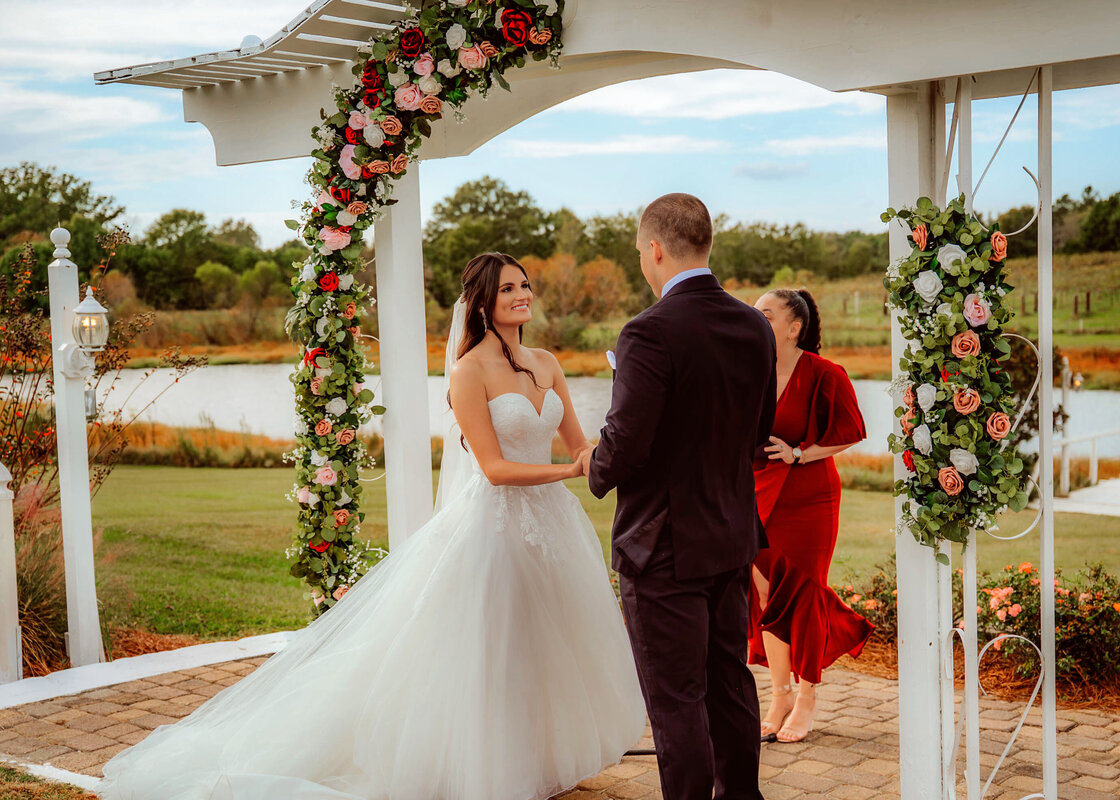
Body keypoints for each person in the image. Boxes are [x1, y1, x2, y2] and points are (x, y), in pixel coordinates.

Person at [97, 253, 645, 800]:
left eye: (524, 284)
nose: (522, 294)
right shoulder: (468, 371)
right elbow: (495, 470)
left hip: (553, 526)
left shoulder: (547, 362)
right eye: (507, 289)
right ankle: (485, 765)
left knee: (547, 643)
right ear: (482, 303)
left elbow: (579, 444)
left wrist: (612, 442)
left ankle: (538, 757)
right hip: (493, 528)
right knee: (495, 648)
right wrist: (568, 471)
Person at [582, 193, 776, 800]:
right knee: (729, 683)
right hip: (730, 535)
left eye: (640, 252)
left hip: (662, 545)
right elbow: (759, 430)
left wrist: (595, 463)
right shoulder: (754, 324)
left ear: (655, 249)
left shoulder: (648, 332)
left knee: (676, 700)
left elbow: (627, 443)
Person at [748, 288, 872, 744]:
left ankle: (806, 698)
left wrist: (800, 453)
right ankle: (779, 694)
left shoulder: (824, 373)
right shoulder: (750, 371)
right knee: (765, 592)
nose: (755, 319)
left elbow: (851, 432)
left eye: (766, 314)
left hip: (810, 497)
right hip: (757, 494)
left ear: (793, 327)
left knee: (803, 591)